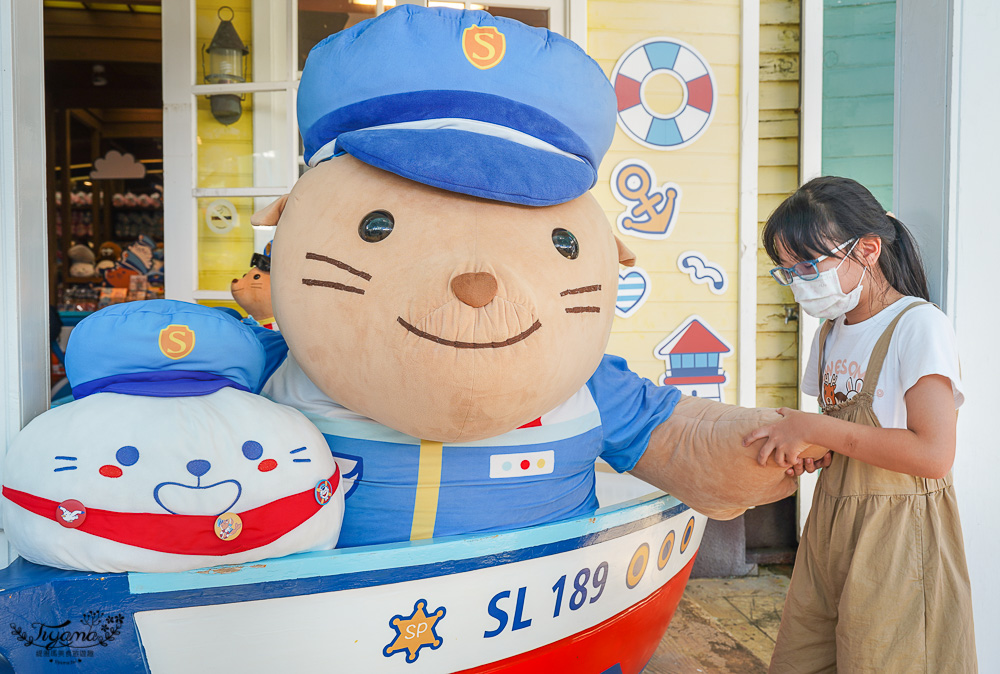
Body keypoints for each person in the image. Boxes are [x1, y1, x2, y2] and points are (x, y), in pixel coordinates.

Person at [743, 176, 976, 673]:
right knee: (804, 657)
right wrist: (809, 449)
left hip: (897, 533)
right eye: (787, 271)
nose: (800, 280)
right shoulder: (831, 332)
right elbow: (840, 436)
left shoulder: (918, 325)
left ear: (867, 249)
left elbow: (933, 456)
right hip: (830, 521)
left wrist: (816, 428)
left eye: (808, 265)